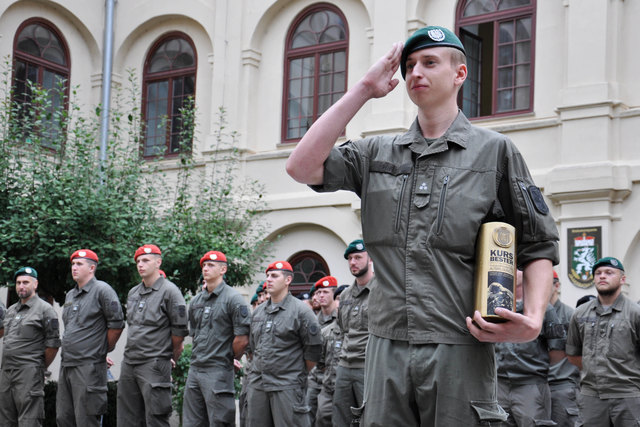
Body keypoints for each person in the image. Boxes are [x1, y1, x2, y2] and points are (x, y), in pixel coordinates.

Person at [285, 25, 559, 425]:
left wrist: (533, 319)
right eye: (410, 65)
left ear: (460, 74)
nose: (416, 73)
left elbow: (537, 242)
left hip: (460, 343)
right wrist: (363, 88)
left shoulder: (494, 152)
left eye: (430, 63)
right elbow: (300, 167)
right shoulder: (376, 153)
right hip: (384, 346)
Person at [117, 244, 188, 427]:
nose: (141, 264)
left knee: (156, 418)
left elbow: (178, 332)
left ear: (158, 262)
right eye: (138, 261)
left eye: (146, 260)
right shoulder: (133, 292)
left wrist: (168, 355)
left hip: (154, 363)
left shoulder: (170, 291)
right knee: (127, 419)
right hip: (130, 362)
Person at [246, 261, 322, 427]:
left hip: (287, 385)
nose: (269, 280)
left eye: (274, 276)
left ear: (288, 280)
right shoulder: (258, 311)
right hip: (259, 384)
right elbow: (252, 347)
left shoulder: (301, 311)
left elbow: (314, 350)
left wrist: (295, 372)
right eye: (267, 276)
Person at [566, 257, 640, 426]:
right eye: (598, 273)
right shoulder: (580, 313)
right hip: (591, 395)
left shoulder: (635, 313)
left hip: (628, 395)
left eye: (609, 272)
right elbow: (573, 354)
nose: (602, 276)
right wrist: (596, 370)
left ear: (622, 279)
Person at [182, 251, 251, 426]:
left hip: (218, 369)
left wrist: (228, 359)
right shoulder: (197, 301)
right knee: (192, 422)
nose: (206, 268)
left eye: (211, 265)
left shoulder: (233, 299)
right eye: (204, 265)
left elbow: (242, 339)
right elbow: (195, 335)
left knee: (220, 421)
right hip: (196, 368)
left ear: (223, 269)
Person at [57, 249, 124, 427]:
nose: (74, 268)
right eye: (73, 264)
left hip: (88, 366)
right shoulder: (70, 295)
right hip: (67, 364)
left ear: (92, 267)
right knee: (64, 418)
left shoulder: (102, 290)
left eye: (79, 264)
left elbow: (117, 324)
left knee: (86, 419)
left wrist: (101, 350)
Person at [495, 270, 566, 426]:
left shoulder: (544, 308)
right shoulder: (495, 303)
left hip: (530, 385)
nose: (513, 271)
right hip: (500, 384)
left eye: (519, 267)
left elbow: (558, 350)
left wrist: (534, 369)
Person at [0, 267, 60, 426]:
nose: (21, 286)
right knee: (5, 420)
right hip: (6, 372)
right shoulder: (11, 310)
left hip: (29, 372)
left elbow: (53, 345)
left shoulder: (45, 309)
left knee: (29, 421)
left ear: (35, 284)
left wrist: (37, 366)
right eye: (18, 283)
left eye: (26, 282)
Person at [331, 240, 374, 427]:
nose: (352, 262)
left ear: (370, 258)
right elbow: (341, 330)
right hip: (344, 366)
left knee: (371, 418)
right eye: (349, 258)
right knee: (341, 419)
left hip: (368, 367)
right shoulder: (346, 295)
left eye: (358, 257)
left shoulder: (381, 290)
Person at [547, 271, 581, 426]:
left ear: (556, 286)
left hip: (563, 387)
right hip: (535, 387)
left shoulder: (570, 315)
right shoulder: (531, 315)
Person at [305, 276, 339, 424]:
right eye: (318, 293)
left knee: (327, 418)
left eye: (325, 292)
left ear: (334, 294)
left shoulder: (341, 319)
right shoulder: (312, 320)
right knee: (308, 415)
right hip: (314, 378)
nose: (321, 296)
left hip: (333, 379)